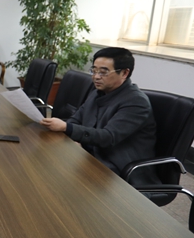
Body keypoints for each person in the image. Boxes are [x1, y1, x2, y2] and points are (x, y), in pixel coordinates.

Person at [41, 47, 156, 183]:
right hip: (91, 156)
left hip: (119, 169)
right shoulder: (97, 92)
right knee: (45, 163)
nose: (96, 77)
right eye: (94, 71)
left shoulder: (136, 101)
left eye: (103, 72)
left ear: (124, 73)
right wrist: (74, 137)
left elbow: (108, 137)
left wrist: (67, 128)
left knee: (58, 179)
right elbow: (76, 119)